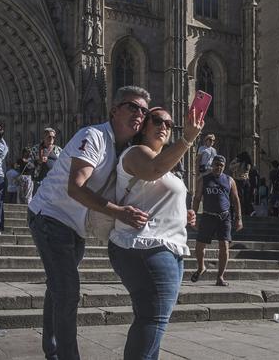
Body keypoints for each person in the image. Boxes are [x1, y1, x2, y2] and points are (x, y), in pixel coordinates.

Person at [27, 85, 152, 360]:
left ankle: (52, 349)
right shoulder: (93, 136)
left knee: (58, 287)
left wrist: (182, 213)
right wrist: (119, 212)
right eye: (132, 106)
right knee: (68, 290)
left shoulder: (128, 151)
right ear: (114, 110)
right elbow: (75, 188)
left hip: (75, 226)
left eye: (143, 110)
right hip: (50, 216)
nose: (139, 114)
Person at [108, 105, 202, 359]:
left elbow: (155, 193)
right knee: (153, 319)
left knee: (152, 319)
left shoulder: (168, 165)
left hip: (167, 246)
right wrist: (188, 138)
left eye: (169, 125)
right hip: (144, 247)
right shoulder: (135, 152)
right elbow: (153, 170)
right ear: (144, 126)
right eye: (158, 121)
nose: (164, 127)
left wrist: (183, 215)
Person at [191, 155, 243, 287]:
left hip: (224, 217)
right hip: (208, 216)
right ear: (212, 165)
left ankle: (220, 276)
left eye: (221, 165)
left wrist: (239, 218)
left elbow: (236, 200)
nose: (218, 167)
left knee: (224, 246)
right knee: (199, 245)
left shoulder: (229, 180)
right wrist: (193, 215)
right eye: (216, 164)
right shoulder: (204, 179)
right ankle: (201, 267)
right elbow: (197, 198)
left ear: (224, 167)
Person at [229, 152, 253, 217]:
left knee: (239, 197)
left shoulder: (241, 163)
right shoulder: (248, 163)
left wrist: (237, 162)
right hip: (246, 181)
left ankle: (241, 211)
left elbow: (231, 167)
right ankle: (246, 211)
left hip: (239, 180)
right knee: (246, 197)